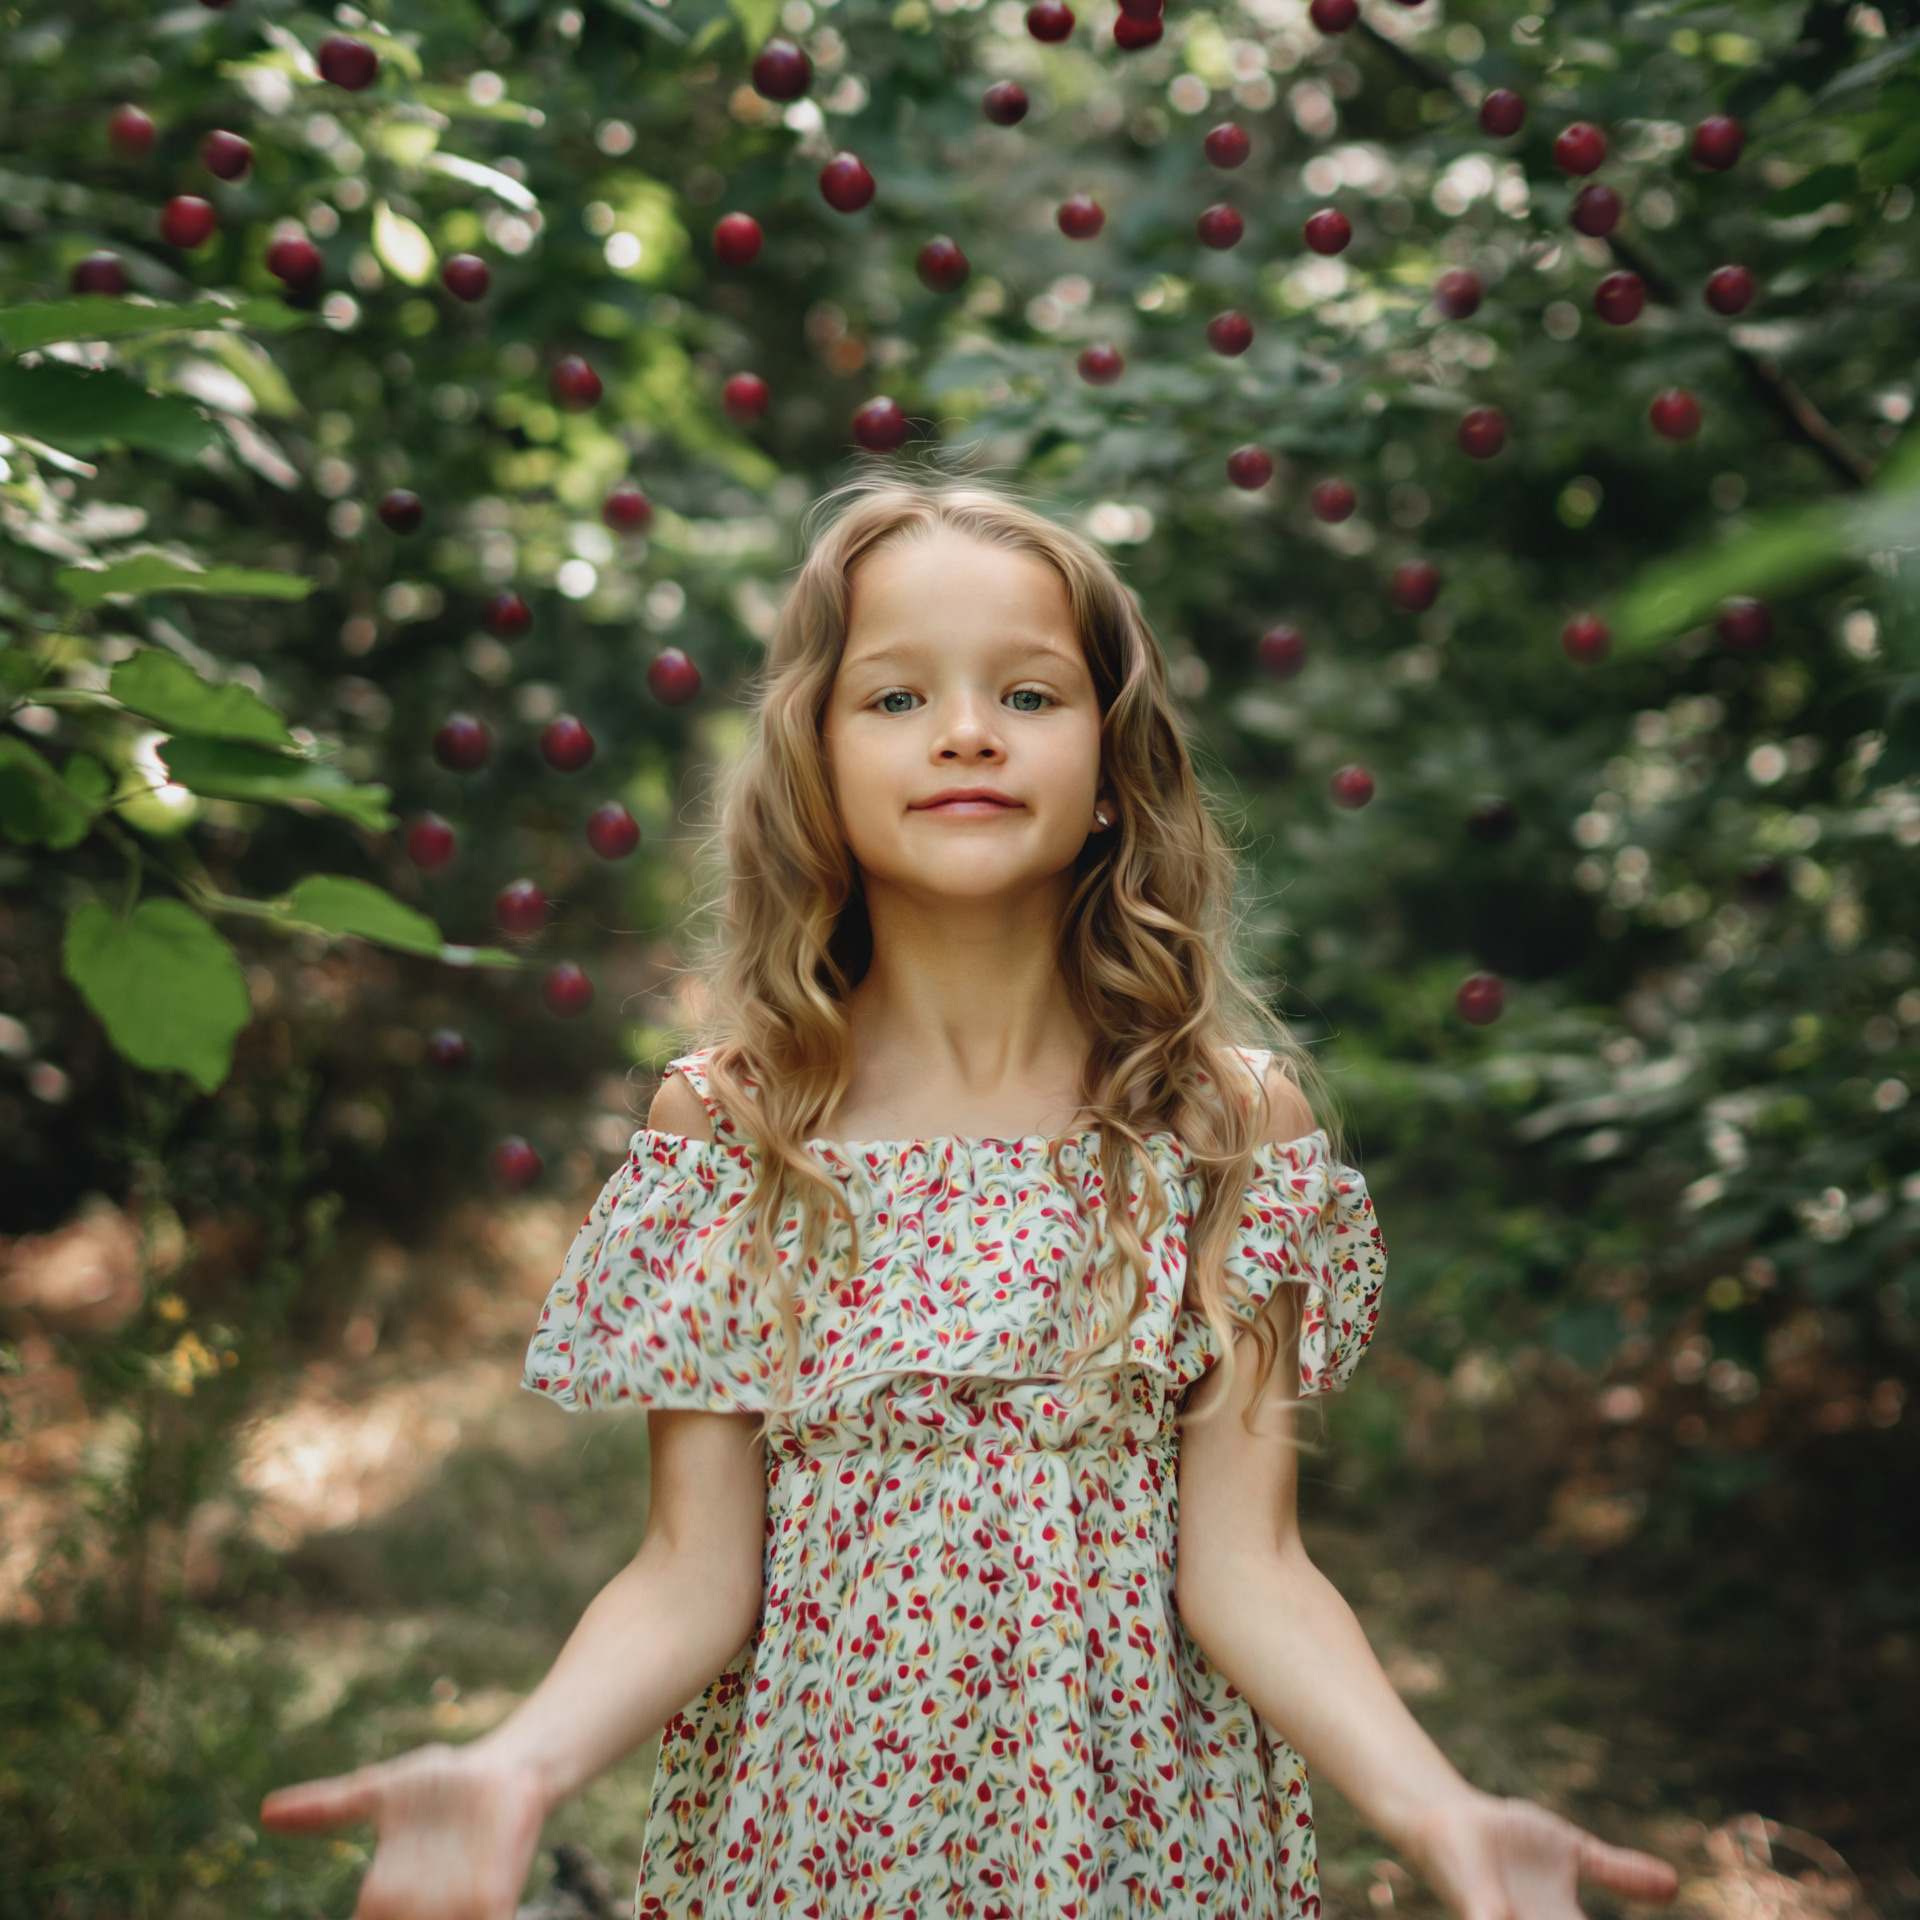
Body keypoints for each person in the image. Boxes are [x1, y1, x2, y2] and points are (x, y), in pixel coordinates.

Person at [261, 469, 1681, 1920]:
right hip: (825, 1839)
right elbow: (694, 1569)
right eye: (892, 698)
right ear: (811, 754)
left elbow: (1248, 1568)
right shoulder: (740, 1127)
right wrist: (518, 1765)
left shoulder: (1223, 1127)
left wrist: (1442, 1815)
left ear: (1117, 763)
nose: (963, 733)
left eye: (1029, 695)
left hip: (1140, 1847)